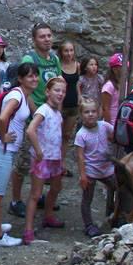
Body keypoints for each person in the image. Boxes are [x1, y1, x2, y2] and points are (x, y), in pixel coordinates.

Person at [0, 62, 38, 247]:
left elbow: (34, 112)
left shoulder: (23, 95)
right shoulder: (17, 96)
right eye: (30, 76)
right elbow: (2, 117)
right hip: (2, 149)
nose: (35, 79)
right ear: (21, 79)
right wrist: (3, 136)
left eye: (36, 75)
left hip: (3, 149)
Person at [15, 23, 61, 217]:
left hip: (50, 113)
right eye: (42, 36)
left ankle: (37, 194)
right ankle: (16, 200)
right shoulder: (30, 59)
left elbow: (58, 82)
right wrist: (37, 113)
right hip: (36, 114)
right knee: (25, 160)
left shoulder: (54, 59)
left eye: (49, 35)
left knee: (42, 160)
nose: (47, 39)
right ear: (34, 40)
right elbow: (28, 90)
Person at [23, 77, 67, 244]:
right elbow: (30, 130)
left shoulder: (57, 113)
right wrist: (38, 151)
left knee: (56, 187)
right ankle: (28, 229)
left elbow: (59, 137)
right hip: (42, 158)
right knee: (35, 193)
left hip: (54, 157)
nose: (60, 94)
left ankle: (48, 215)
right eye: (57, 90)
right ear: (47, 92)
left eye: (63, 91)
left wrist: (62, 159)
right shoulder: (43, 110)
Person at [75, 99, 117, 237]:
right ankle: (88, 225)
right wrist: (83, 175)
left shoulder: (104, 126)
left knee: (119, 189)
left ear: (98, 112)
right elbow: (80, 156)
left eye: (93, 111)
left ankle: (113, 215)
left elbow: (115, 136)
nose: (91, 114)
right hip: (91, 171)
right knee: (87, 198)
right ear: (81, 114)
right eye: (87, 112)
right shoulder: (81, 134)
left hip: (107, 168)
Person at [58, 41, 80, 176]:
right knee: (56, 135)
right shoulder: (58, 66)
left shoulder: (77, 65)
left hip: (73, 104)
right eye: (66, 51)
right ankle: (52, 164)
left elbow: (77, 83)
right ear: (61, 52)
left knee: (66, 136)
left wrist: (80, 96)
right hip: (60, 104)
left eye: (71, 50)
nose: (69, 54)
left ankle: (61, 163)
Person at [100, 53, 123, 126]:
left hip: (121, 122)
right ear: (115, 69)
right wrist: (109, 127)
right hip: (112, 123)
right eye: (122, 67)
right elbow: (105, 108)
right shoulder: (109, 86)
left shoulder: (125, 83)